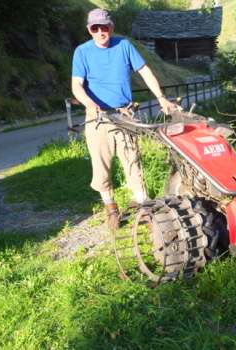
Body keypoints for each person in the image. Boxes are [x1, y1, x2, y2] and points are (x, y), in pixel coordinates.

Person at [71, 8, 177, 230]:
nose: (101, 32)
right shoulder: (82, 52)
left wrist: (161, 98)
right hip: (97, 119)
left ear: (112, 27)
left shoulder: (124, 46)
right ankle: (111, 208)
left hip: (125, 116)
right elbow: (77, 85)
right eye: (95, 28)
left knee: (133, 163)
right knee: (101, 167)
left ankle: (143, 208)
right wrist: (90, 104)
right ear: (89, 30)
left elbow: (145, 72)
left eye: (105, 27)